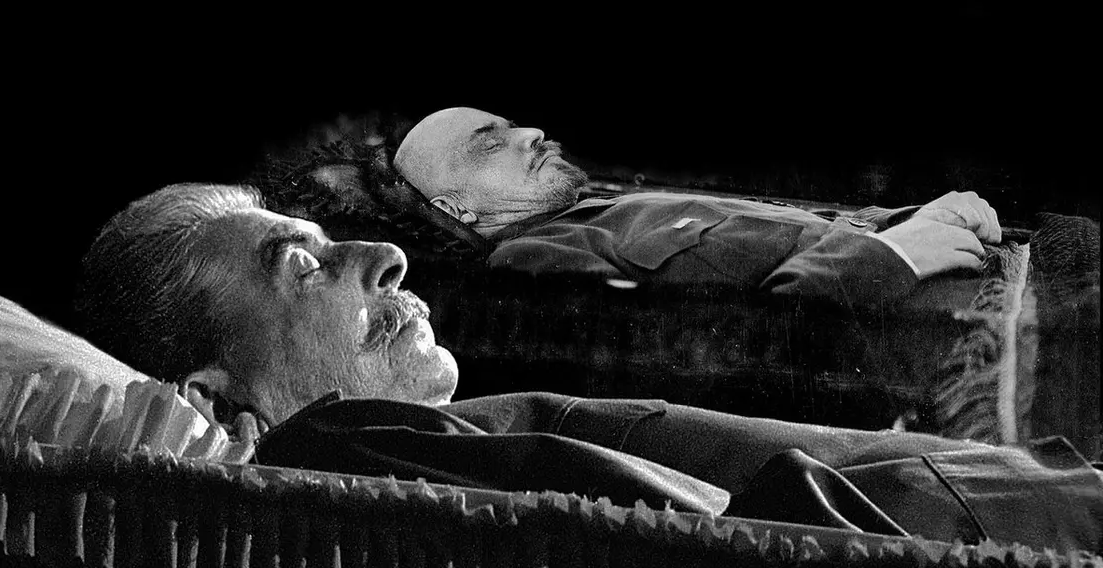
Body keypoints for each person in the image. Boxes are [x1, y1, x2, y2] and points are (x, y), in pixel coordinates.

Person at [75, 183, 1101, 554]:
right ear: (210, 396)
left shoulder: (424, 450)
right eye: (299, 266)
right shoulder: (342, 445)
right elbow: (738, 553)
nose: (382, 255)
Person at [393, 107, 1004, 306]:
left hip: (971, 281)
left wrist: (913, 222)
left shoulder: (612, 207)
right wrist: (891, 255)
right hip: (955, 332)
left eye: (515, 125)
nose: (532, 134)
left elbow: (782, 240)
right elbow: (728, 351)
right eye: (490, 143)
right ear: (457, 208)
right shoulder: (530, 261)